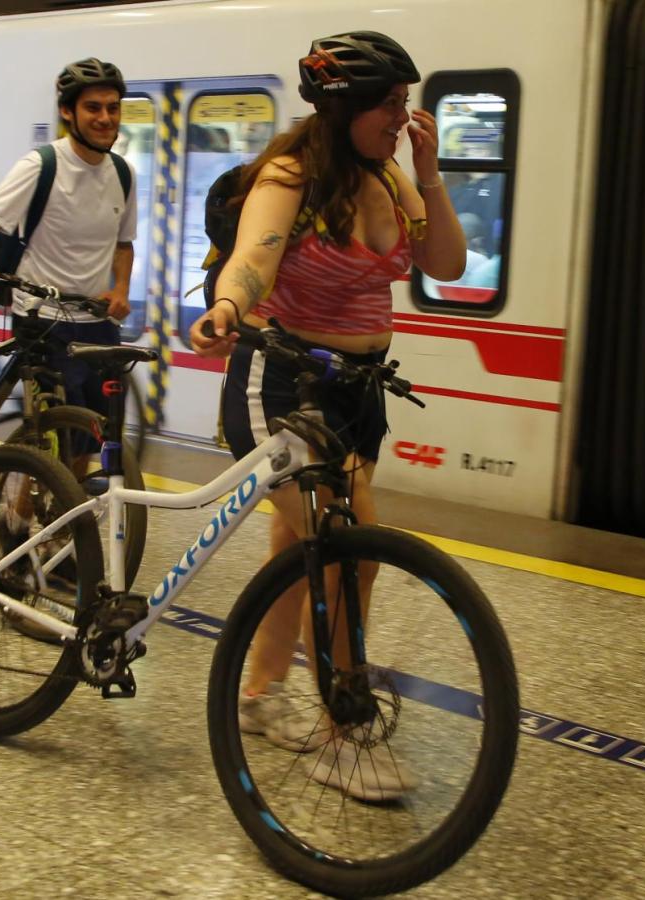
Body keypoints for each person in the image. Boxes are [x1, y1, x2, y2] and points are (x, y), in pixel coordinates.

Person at [188, 31, 467, 801]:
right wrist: (226, 307)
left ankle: (259, 695)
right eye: (387, 104)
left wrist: (431, 176)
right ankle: (343, 732)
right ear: (342, 107)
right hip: (281, 385)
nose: (400, 117)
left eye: (404, 102)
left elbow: (447, 264)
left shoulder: (392, 178)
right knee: (350, 550)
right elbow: (256, 255)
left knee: (298, 542)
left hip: (357, 389)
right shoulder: (292, 174)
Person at [0, 57, 136, 435]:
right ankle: (33, 487)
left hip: (97, 322)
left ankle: (68, 495)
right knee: (54, 436)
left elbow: (123, 244)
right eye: (93, 108)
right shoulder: (41, 166)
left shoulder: (123, 173)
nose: (105, 118)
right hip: (43, 323)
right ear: (67, 112)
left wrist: (121, 289)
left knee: (97, 437)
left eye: (113, 107)